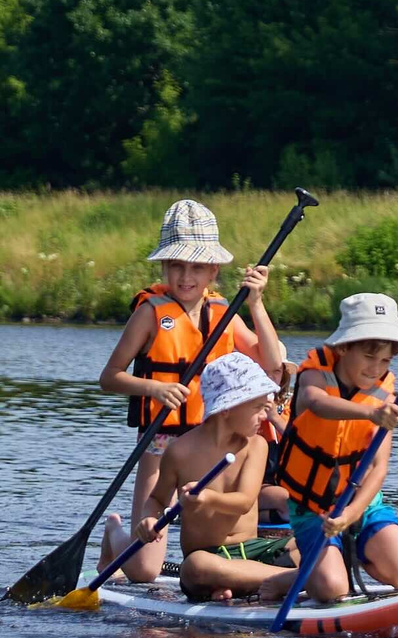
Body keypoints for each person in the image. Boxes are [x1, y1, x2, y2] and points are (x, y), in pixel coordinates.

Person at [96, 199, 286, 563]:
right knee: (144, 568)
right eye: (177, 266)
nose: (186, 277)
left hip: (213, 435)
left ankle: (210, 569)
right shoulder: (150, 314)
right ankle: (115, 535)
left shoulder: (224, 313)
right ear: (164, 266)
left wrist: (257, 303)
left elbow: (272, 364)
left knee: (213, 531)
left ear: (213, 270)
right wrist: (154, 388)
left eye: (197, 267)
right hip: (161, 438)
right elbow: (110, 377)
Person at [274, 292, 398, 603]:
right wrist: (371, 413)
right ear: (343, 348)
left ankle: (348, 552)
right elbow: (317, 404)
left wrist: (350, 514)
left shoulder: (384, 392)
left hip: (362, 505)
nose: (376, 369)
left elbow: (378, 467)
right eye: (369, 357)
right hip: (313, 507)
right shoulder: (314, 374)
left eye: (385, 360)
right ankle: (298, 576)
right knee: (332, 590)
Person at [131, 353, 300, 602]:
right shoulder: (179, 451)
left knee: (314, 541)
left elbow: (244, 501)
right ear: (227, 409)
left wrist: (207, 498)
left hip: (253, 552)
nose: (264, 417)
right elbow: (157, 499)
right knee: (194, 567)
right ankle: (293, 578)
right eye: (257, 408)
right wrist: (148, 519)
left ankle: (251, 581)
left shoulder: (255, 445)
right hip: (209, 557)